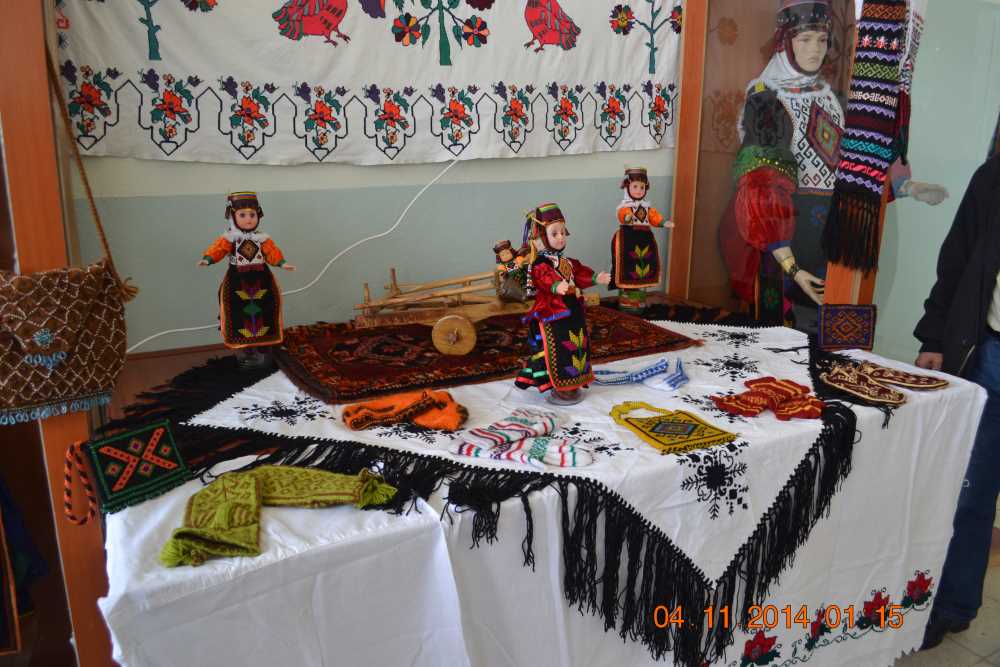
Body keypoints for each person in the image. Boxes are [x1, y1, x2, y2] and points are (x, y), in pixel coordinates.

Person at [913, 154, 1000, 649]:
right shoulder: (994, 177)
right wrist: (934, 336)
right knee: (969, 491)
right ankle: (952, 605)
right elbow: (957, 260)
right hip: (989, 354)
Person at [515, 203, 611, 405]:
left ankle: (574, 382)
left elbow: (581, 274)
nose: (560, 237)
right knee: (559, 347)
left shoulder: (568, 262)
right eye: (554, 234)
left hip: (573, 310)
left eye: (562, 233)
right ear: (542, 238)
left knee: (578, 343)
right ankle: (561, 386)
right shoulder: (540, 263)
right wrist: (556, 285)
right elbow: (543, 278)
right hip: (554, 312)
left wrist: (596, 278)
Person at [198, 191, 295, 352]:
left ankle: (264, 343)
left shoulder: (262, 238)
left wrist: (282, 263)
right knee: (237, 309)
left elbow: (271, 252)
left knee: (266, 306)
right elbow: (218, 249)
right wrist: (208, 259)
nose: (249, 219)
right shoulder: (230, 238)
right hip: (237, 280)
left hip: (263, 280)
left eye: (252, 215)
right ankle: (244, 346)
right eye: (242, 215)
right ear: (232, 216)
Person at [609, 167, 671, 314]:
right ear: (627, 187)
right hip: (628, 240)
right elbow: (623, 215)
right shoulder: (625, 207)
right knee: (627, 265)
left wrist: (663, 222)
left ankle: (639, 301)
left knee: (645, 264)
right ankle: (627, 301)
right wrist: (627, 217)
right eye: (635, 186)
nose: (638, 190)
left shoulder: (647, 208)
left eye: (642, 187)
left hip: (645, 239)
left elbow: (654, 217)